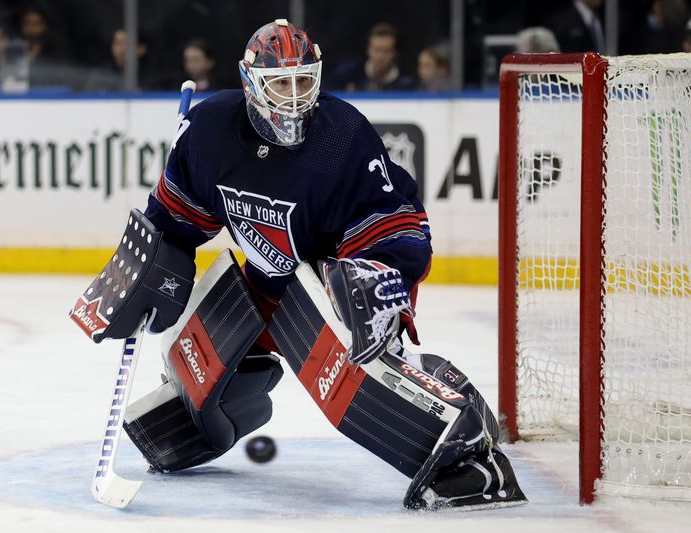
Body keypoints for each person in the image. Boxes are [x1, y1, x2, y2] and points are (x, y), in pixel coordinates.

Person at [88, 18, 527, 510]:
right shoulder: (209, 131)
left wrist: (376, 280)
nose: (294, 97)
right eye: (280, 83)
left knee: (350, 381)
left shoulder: (340, 136)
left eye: (303, 82)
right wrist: (152, 267)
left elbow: (394, 224)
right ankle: (196, 416)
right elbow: (177, 219)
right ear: (252, 84)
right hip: (265, 279)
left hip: (337, 281)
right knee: (200, 359)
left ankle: (469, 458)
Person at [331, 22, 414, 91]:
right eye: (376, 50)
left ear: (395, 53)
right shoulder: (348, 74)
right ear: (368, 49)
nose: (380, 57)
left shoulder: (406, 83)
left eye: (386, 51)